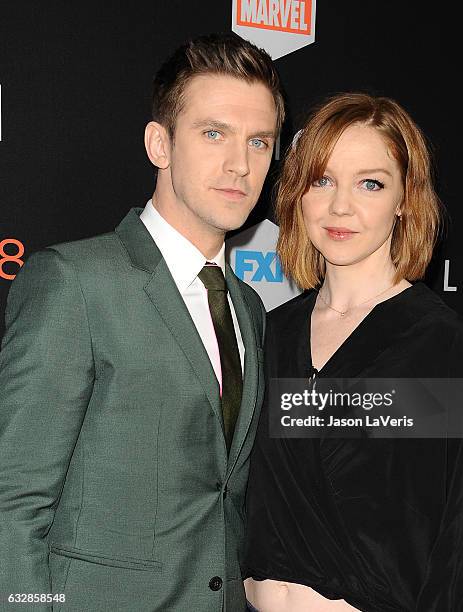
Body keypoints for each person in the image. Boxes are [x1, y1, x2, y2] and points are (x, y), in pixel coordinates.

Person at [0, 33, 284, 612]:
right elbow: (12, 502)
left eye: (259, 141)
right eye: (214, 133)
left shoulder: (249, 308)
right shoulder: (75, 282)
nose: (240, 163)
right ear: (160, 143)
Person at [243, 93, 463, 611]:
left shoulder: (437, 343)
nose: (341, 206)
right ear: (298, 193)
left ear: (405, 198)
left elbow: (461, 535)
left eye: (370, 183)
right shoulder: (268, 333)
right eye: (323, 180)